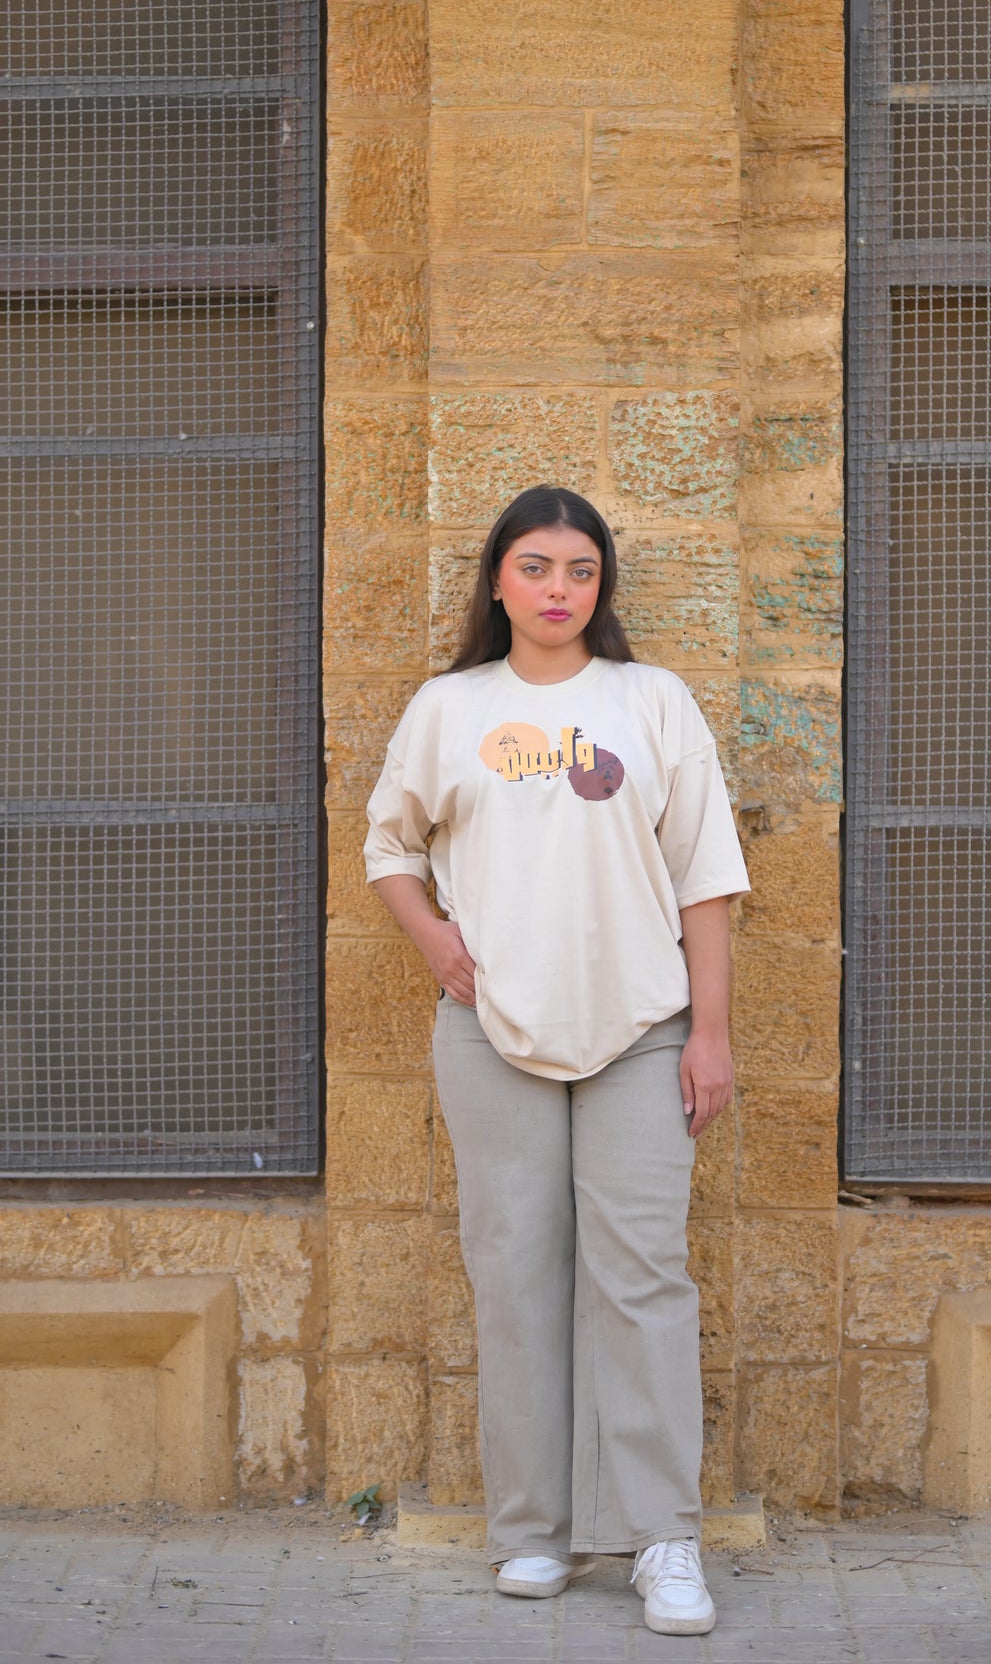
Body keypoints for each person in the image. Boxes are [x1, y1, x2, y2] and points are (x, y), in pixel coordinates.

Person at [364, 485, 750, 1637]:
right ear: (497, 580)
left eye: (579, 571)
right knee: (515, 1277)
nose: (557, 590)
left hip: (640, 1029)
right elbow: (390, 846)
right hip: (493, 1032)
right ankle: (531, 1532)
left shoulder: (651, 700)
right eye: (534, 567)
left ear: (600, 586)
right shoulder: (449, 708)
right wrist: (434, 942)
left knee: (645, 1281)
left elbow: (704, 875)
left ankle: (663, 1540)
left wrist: (712, 1033)